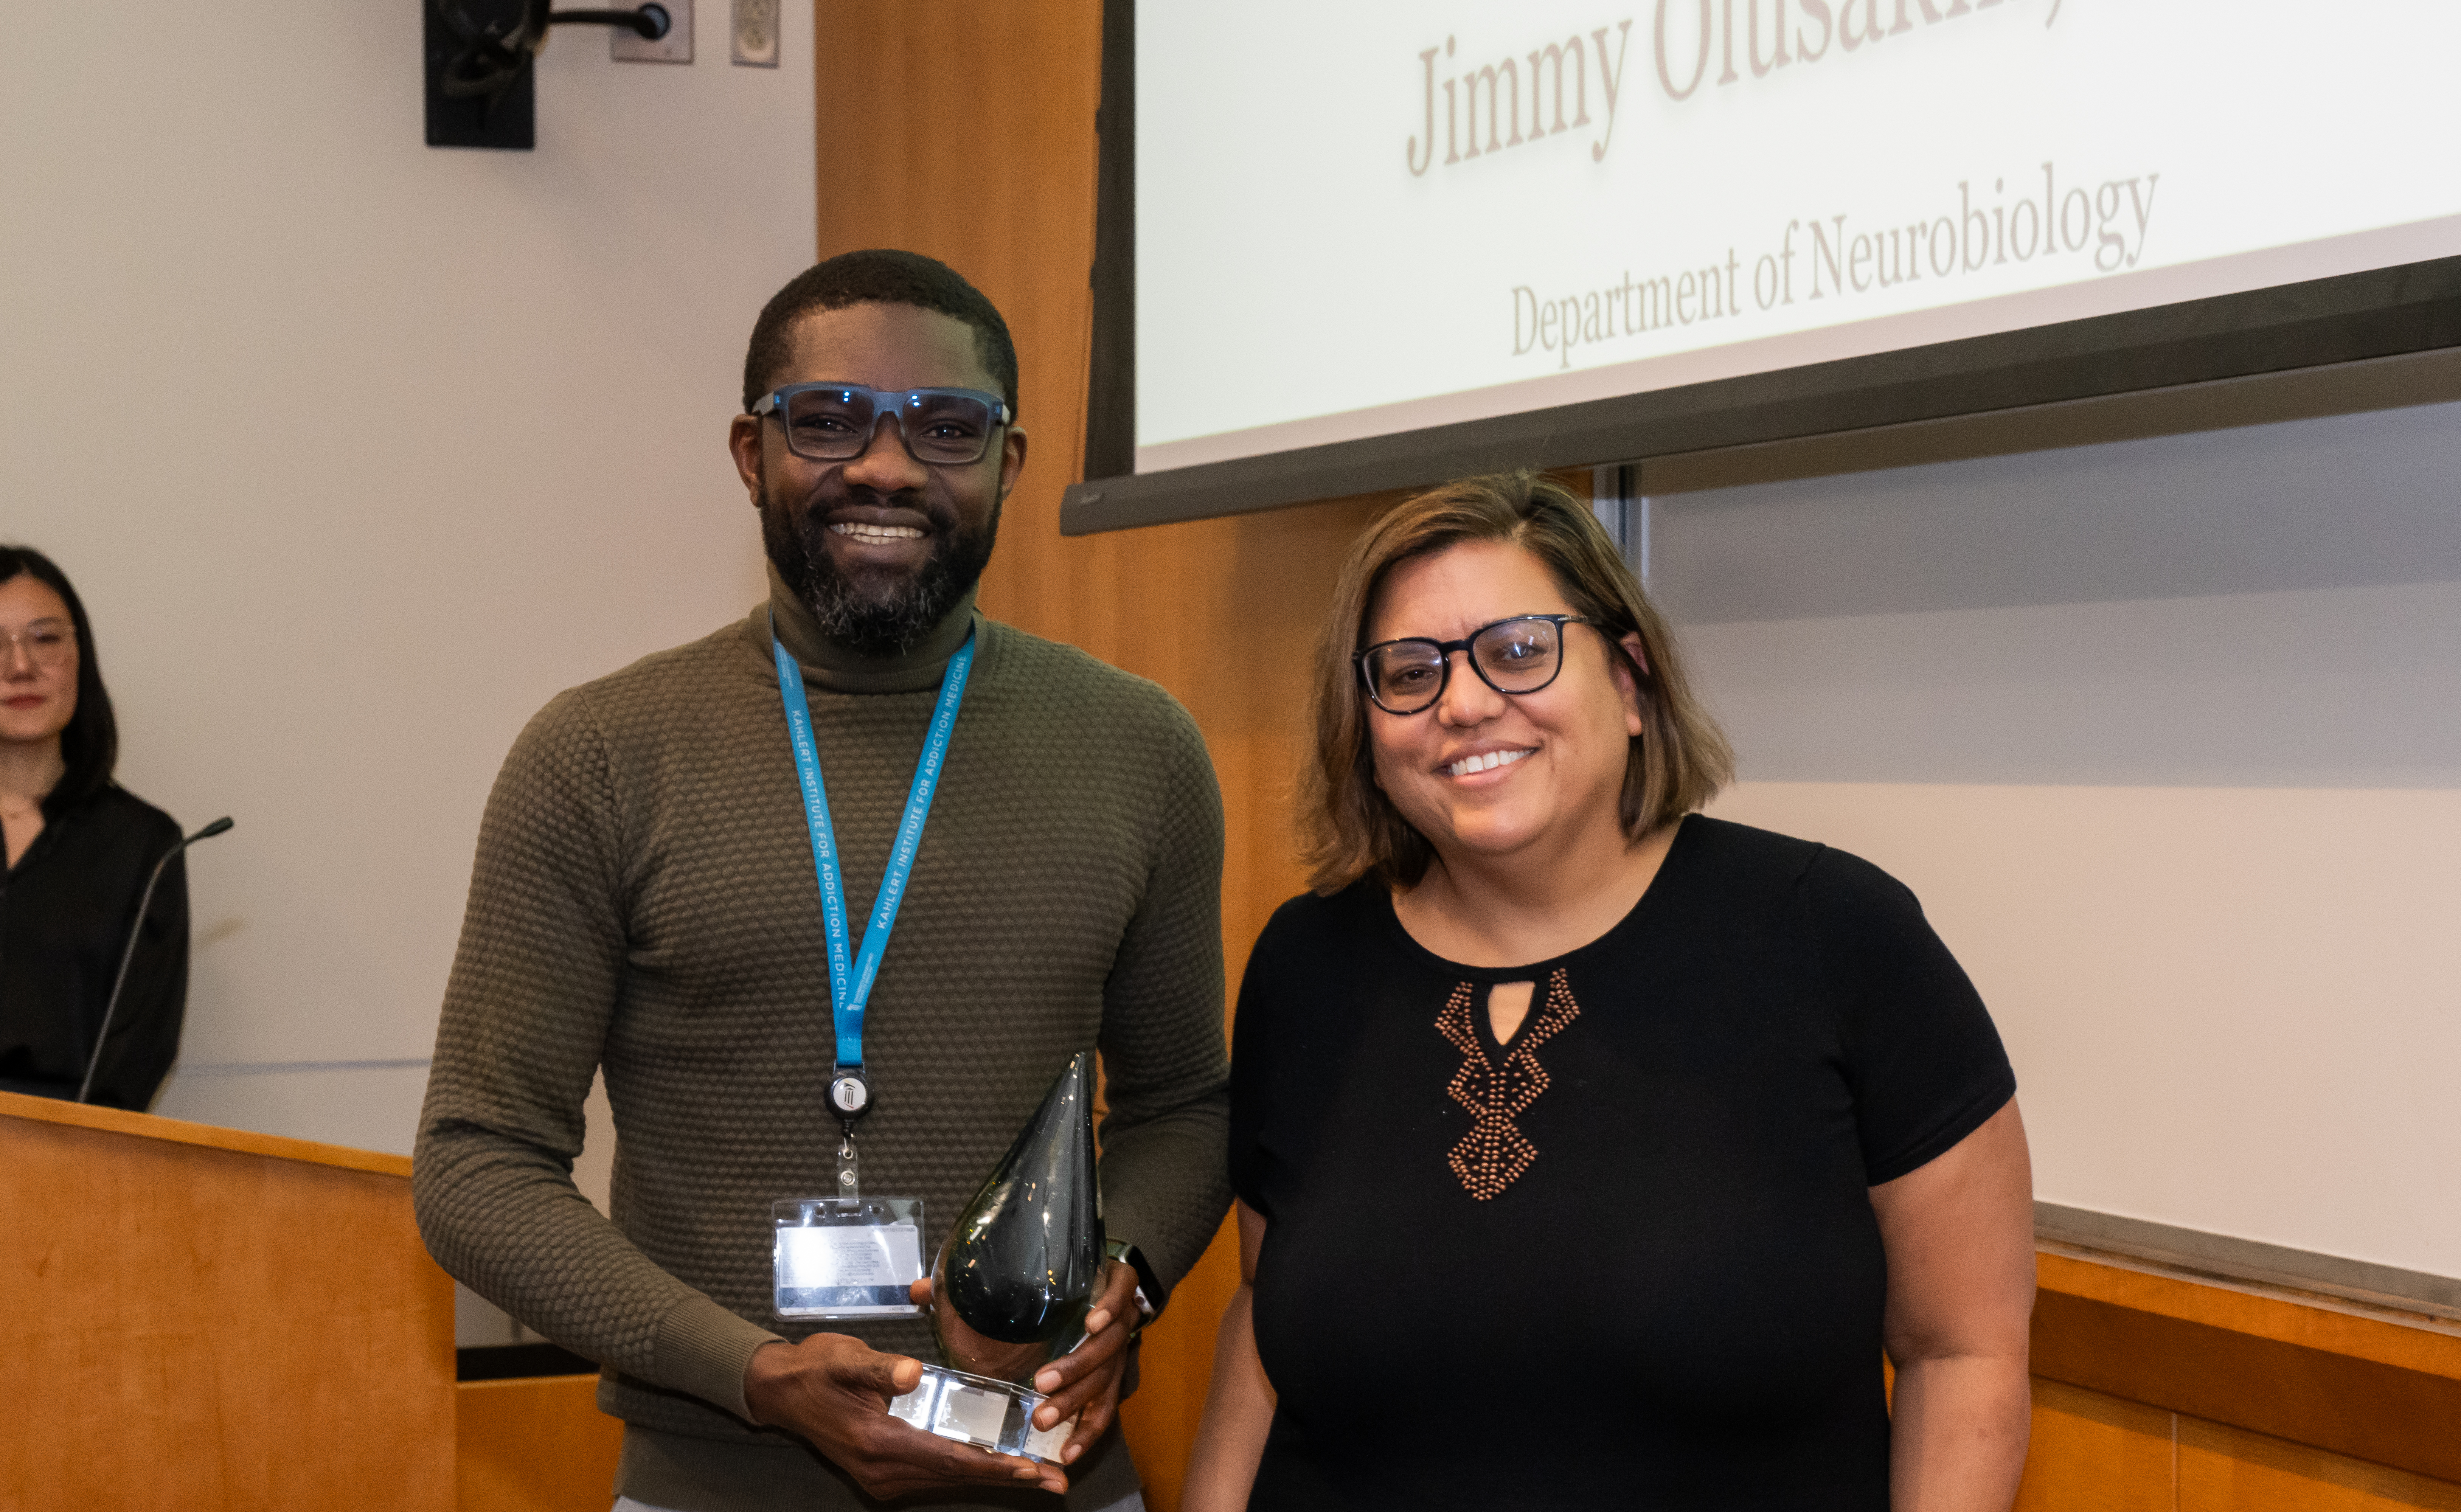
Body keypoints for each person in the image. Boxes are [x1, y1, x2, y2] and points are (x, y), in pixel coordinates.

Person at [415, 250, 1232, 1512]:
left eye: (946, 426)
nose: (888, 465)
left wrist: (1114, 1274)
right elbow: (478, 1160)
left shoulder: (1139, 748)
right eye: (829, 418)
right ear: (751, 454)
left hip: (1052, 1476)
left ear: (1006, 464)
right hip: (708, 1481)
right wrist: (747, 1370)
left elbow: (1183, 1103)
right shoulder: (597, 756)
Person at [1186, 474, 2035, 1511]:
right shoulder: (1303, 965)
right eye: (1407, 672)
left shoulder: (1834, 935)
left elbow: (1964, 1351)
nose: (1459, 703)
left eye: (1516, 651)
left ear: (1629, 683)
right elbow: (1262, 1320)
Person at [0, 546, 188, 1110]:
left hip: (68, 1167)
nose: (19, 666)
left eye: (45, 638)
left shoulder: (144, 845)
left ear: (81, 655)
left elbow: (137, 1053)